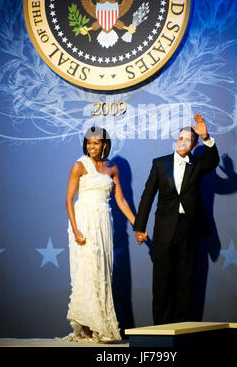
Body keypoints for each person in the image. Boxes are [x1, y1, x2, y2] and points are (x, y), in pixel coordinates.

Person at [133, 113, 220, 325]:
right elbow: (147, 196)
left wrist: (207, 137)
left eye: (188, 139)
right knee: (162, 282)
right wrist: (139, 227)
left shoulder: (198, 164)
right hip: (164, 229)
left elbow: (213, 160)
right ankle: (161, 329)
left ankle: (181, 329)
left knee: (185, 281)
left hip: (188, 229)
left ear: (194, 144)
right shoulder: (160, 163)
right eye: (180, 138)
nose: (182, 142)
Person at [62, 126, 143, 344]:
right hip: (84, 224)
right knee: (86, 273)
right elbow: (69, 200)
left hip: (104, 225)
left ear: (104, 145)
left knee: (102, 273)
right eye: (89, 143)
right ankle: (88, 330)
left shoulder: (112, 168)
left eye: (96, 143)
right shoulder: (79, 166)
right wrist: (76, 229)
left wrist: (138, 225)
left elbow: (122, 201)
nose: (91, 146)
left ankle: (102, 327)